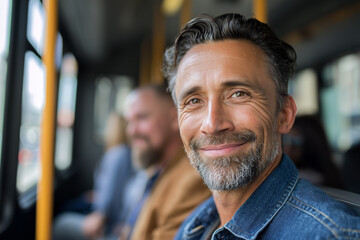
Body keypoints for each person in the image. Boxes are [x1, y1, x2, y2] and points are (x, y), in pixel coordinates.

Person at [162, 13, 360, 239]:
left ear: (284, 115)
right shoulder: (198, 223)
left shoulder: (332, 235)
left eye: (238, 94)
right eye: (194, 101)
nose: (212, 124)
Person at [120, 84, 211, 240]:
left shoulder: (191, 180)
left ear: (174, 118)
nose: (131, 131)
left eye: (142, 117)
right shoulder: (158, 169)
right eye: (129, 121)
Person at [53, 112, 138, 240]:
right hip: (108, 210)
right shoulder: (126, 152)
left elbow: (111, 191)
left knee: (60, 223)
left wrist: (100, 214)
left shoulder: (116, 155)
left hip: (108, 221)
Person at [283, 115, 343, 188]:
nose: (288, 148)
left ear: (312, 144)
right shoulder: (333, 174)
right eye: (285, 139)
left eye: (296, 142)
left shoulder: (306, 179)